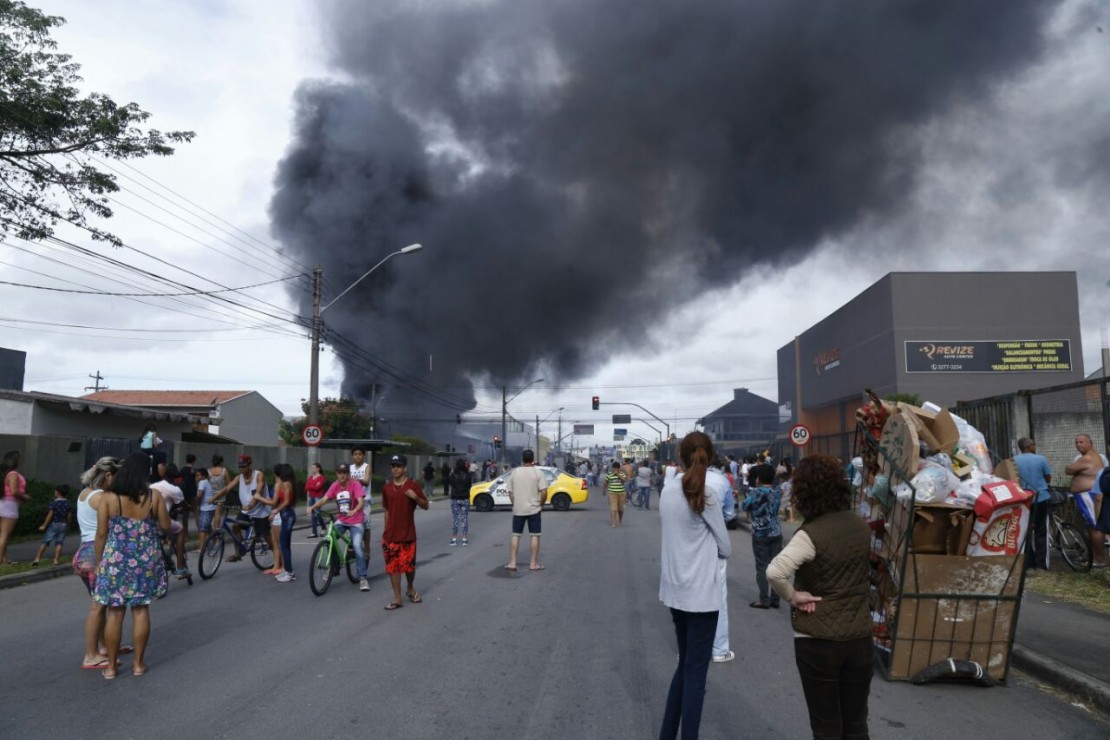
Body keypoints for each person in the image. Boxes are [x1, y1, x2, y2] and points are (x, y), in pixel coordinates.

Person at [767, 454, 873, 740]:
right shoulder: (860, 526)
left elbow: (775, 572)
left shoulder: (811, 534)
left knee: (826, 727)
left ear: (804, 493)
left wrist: (793, 596)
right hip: (860, 638)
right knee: (856, 725)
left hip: (818, 640)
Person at [658, 432, 731, 740]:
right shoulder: (708, 495)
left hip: (674, 592)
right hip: (702, 596)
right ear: (710, 456)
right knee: (695, 674)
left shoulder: (667, 491)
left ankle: (667, 734)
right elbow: (726, 547)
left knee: (685, 667)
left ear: (680, 456)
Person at [94, 452, 172, 679]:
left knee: (114, 613)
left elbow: (101, 534)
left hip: (115, 562)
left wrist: (100, 562)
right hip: (145, 561)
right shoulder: (154, 496)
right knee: (140, 610)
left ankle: (110, 667)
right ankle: (138, 665)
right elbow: (166, 526)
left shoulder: (108, 498)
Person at [73, 457, 122, 670]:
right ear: (108, 475)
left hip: (83, 551)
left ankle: (103, 647)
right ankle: (91, 655)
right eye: (117, 477)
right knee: (98, 607)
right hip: (96, 552)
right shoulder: (102, 497)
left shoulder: (85, 493)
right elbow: (115, 523)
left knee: (100, 604)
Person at [308, 463, 368, 590]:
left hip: (356, 520)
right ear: (336, 474)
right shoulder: (335, 485)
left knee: (357, 545)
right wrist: (313, 507)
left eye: (344, 472)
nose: (342, 475)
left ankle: (363, 578)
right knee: (329, 537)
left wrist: (354, 510)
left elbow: (361, 502)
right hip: (342, 519)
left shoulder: (355, 484)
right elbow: (324, 499)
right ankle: (333, 566)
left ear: (348, 474)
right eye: (340, 473)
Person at [381, 454, 429, 609]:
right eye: (393, 466)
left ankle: (410, 588)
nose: (395, 469)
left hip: (407, 534)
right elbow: (387, 510)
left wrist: (415, 497)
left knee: (409, 567)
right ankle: (397, 598)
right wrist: (386, 531)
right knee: (392, 567)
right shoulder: (387, 488)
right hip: (391, 536)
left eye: (399, 466)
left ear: (405, 468)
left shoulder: (412, 486)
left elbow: (425, 505)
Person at [213, 454, 271, 566]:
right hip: (246, 511)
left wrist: (250, 505)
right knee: (235, 526)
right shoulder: (239, 477)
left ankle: (278, 558)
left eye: (243, 466)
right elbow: (227, 488)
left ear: (249, 465)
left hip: (261, 512)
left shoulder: (259, 475)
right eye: (239, 466)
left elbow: (258, 492)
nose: (241, 469)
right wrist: (213, 498)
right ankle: (237, 554)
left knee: (266, 536)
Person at [706, 457, 736, 665]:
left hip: (688, 547)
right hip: (715, 543)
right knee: (718, 597)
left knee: (688, 599)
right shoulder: (721, 481)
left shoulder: (680, 481)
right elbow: (729, 513)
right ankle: (719, 649)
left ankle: (689, 649)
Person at [742, 463, 783, 609]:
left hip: (761, 532)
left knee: (762, 566)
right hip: (776, 531)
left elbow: (745, 506)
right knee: (776, 566)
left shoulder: (757, 492)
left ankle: (764, 599)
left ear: (758, 478)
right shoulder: (777, 490)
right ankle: (776, 599)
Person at [502, 449, 546, 571]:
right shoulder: (538, 473)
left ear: (522, 459)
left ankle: (512, 563)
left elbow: (510, 492)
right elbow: (544, 492)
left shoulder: (515, 472)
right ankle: (533, 564)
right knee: (535, 535)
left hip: (518, 509)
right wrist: (541, 505)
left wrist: (514, 503)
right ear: (533, 460)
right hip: (534, 509)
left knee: (516, 535)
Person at [1066, 433, 1107, 567]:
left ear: (1090, 443)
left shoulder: (1087, 458)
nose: (1078, 445)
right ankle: (1094, 557)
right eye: (1076, 442)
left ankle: (1100, 560)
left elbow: (1069, 470)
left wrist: (1072, 468)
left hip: (1088, 495)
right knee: (1090, 527)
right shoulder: (1092, 456)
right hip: (1086, 496)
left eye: (1081, 442)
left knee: (1095, 527)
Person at [1014, 437, 1052, 571]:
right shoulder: (1041, 459)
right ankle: (1040, 564)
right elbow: (1048, 478)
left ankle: (1028, 562)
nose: (1035, 446)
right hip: (1040, 498)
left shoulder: (1013, 461)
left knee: (1025, 530)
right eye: (1033, 444)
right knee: (1040, 531)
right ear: (1029, 446)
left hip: (1023, 500)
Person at [150, 464, 187, 578]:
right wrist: (186, 507)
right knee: (180, 530)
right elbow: (182, 504)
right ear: (175, 477)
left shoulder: (153, 485)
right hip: (161, 521)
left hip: (147, 520)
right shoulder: (174, 490)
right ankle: (180, 568)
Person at [33, 484, 72, 566]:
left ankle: (37, 559)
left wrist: (44, 525)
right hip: (63, 525)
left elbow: (50, 515)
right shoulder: (67, 503)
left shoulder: (54, 503)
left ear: (57, 492)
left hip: (54, 524)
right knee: (59, 542)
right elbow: (69, 516)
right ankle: (56, 560)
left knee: (45, 541)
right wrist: (68, 524)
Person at [0, 450, 28, 564]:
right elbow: (14, 491)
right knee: (5, 535)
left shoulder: (5, 473)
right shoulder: (13, 475)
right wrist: (25, 497)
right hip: (9, 506)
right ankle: (1, 561)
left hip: (3, 503)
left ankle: (4, 559)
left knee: (4, 535)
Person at [270, 463, 297, 582]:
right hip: (287, 515)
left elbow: (286, 501)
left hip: (288, 515)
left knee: (283, 544)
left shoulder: (286, 484)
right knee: (285, 544)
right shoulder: (288, 483)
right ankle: (286, 570)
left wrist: (276, 510)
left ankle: (289, 573)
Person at [350, 447, 372, 555]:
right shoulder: (350, 468)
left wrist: (356, 480)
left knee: (366, 526)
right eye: (355, 454)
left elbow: (366, 481)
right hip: (353, 501)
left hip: (365, 500)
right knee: (350, 523)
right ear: (352, 456)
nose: (357, 456)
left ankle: (367, 547)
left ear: (363, 455)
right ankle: (351, 545)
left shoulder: (366, 467)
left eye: (360, 454)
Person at [448, 457, 472, 546]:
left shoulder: (453, 475)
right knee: (464, 518)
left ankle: (454, 539)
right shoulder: (468, 475)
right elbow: (469, 485)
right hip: (465, 498)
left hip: (455, 498)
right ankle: (464, 539)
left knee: (455, 519)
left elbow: (450, 483)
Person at [194, 467, 216, 555]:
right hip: (210, 507)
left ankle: (202, 547)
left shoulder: (202, 482)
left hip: (206, 508)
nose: (197, 477)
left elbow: (200, 495)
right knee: (207, 527)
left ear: (204, 476)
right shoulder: (206, 482)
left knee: (202, 528)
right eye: (196, 475)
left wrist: (195, 505)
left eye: (198, 475)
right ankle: (215, 540)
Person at [305, 461, 327, 538]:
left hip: (318, 497)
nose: (312, 469)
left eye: (314, 468)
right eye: (312, 468)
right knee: (313, 515)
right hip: (311, 497)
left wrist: (311, 486)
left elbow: (317, 488)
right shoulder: (310, 477)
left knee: (317, 513)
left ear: (318, 469)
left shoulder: (321, 478)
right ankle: (314, 532)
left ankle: (323, 527)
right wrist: (313, 485)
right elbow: (306, 487)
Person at [604, 461, 626, 528]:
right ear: (612, 468)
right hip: (612, 493)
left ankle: (620, 520)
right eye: (614, 468)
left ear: (619, 468)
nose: (615, 470)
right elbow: (605, 483)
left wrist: (618, 475)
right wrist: (604, 490)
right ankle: (613, 522)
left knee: (620, 509)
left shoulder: (622, 474)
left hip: (621, 493)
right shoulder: (609, 475)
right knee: (613, 508)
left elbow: (624, 480)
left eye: (617, 468)